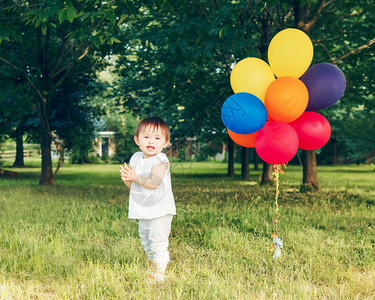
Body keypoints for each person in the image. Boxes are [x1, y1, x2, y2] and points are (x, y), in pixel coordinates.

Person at [120, 117, 176, 283]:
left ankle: (159, 276)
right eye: (146, 137)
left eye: (157, 138)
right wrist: (127, 178)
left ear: (165, 142)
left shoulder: (161, 160)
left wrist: (134, 176)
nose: (151, 141)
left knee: (158, 242)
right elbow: (134, 186)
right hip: (143, 209)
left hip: (160, 210)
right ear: (137, 139)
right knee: (146, 240)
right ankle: (154, 269)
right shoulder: (136, 158)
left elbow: (153, 183)